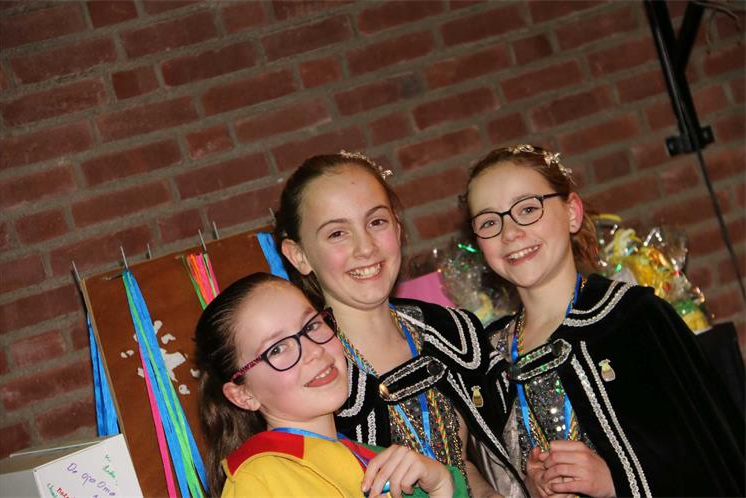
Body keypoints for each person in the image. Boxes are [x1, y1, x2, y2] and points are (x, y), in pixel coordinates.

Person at [464, 144, 745, 497]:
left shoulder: (634, 318)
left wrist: (617, 480)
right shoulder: (489, 360)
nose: (510, 233)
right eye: (489, 222)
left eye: (528, 209)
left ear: (572, 212)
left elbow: (715, 459)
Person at [275, 152, 524, 498]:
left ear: (397, 226)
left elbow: (472, 464)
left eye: (376, 222)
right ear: (299, 255)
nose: (365, 248)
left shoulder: (452, 333)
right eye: (337, 233)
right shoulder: (311, 376)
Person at [194, 272, 468, 497]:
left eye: (312, 326)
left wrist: (442, 487)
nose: (314, 350)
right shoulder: (258, 481)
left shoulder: (379, 461)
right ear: (243, 395)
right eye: (277, 349)